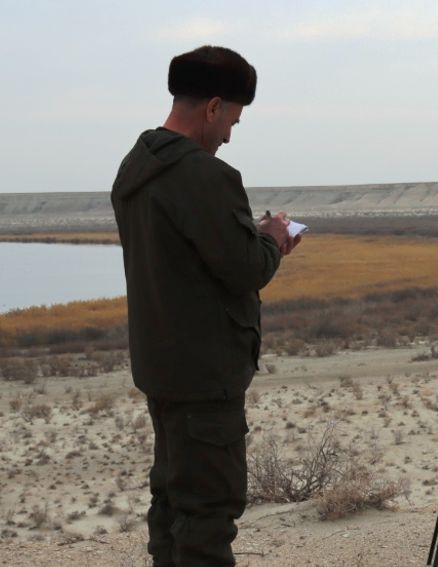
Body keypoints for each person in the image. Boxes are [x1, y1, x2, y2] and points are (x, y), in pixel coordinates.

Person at [111, 45, 300, 567]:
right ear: (214, 107)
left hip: (160, 366)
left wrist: (249, 233)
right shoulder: (207, 176)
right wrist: (273, 239)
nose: (230, 134)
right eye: (233, 119)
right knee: (208, 514)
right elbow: (246, 269)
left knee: (171, 502)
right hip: (205, 374)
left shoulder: (136, 165)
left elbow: (188, 253)